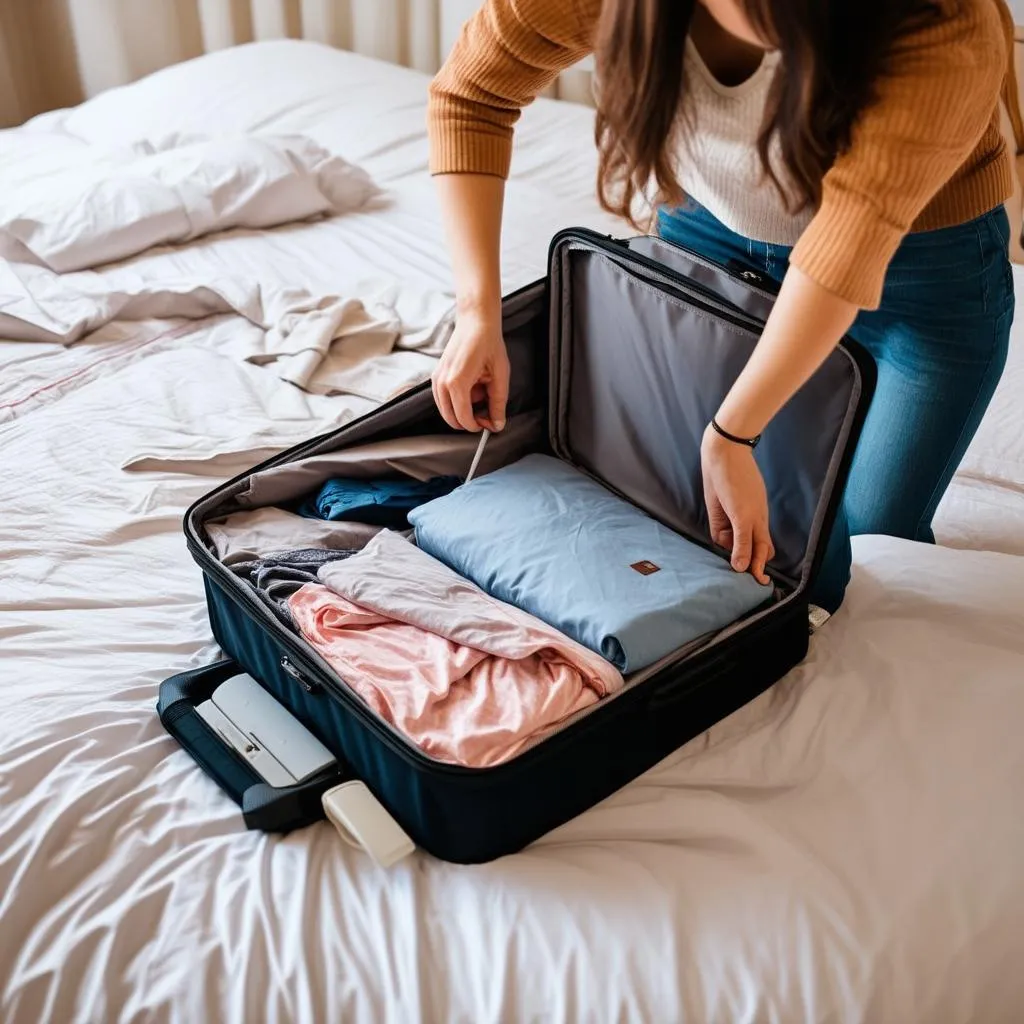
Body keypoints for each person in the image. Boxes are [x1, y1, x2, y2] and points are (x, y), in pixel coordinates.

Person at [426, 0, 1021, 613]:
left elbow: (842, 255)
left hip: (916, 272)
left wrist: (730, 435)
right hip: (710, 227)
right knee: (680, 509)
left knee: (863, 552)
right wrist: (477, 312)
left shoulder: (946, 24)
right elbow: (471, 96)